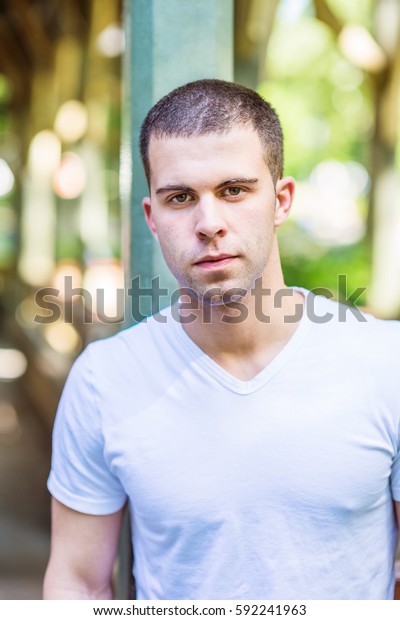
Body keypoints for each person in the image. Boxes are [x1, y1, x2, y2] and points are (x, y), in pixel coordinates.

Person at [43, 79, 400, 600]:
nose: (209, 223)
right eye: (180, 198)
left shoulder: (384, 362)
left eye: (234, 190)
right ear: (152, 219)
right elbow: (76, 582)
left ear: (281, 200)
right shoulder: (105, 380)